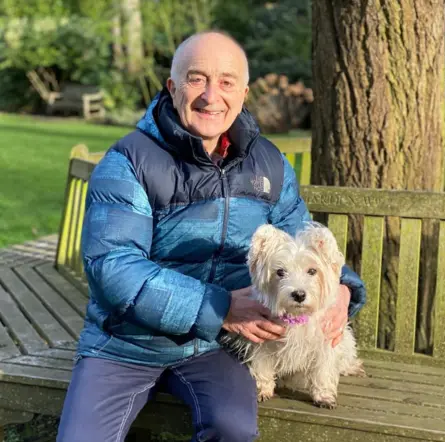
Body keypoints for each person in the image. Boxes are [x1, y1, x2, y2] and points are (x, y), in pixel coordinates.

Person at [56, 30, 366, 442]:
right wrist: (218, 307)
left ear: (243, 93)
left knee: (233, 429)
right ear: (172, 86)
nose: (210, 96)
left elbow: (303, 245)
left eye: (226, 82)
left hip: (219, 347)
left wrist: (343, 288)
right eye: (197, 78)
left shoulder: (269, 164)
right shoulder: (127, 161)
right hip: (125, 343)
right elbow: (114, 268)